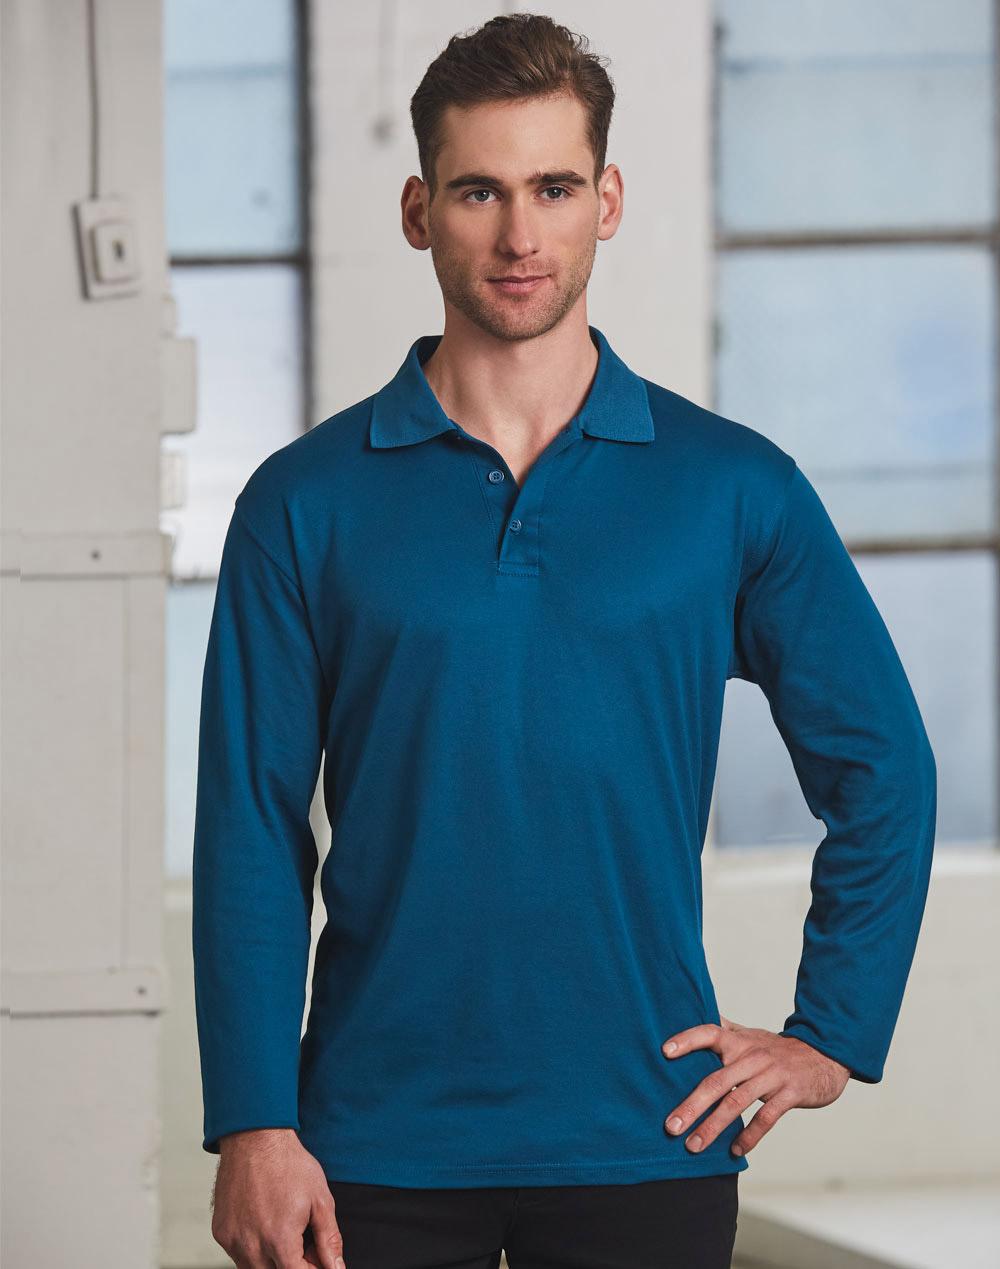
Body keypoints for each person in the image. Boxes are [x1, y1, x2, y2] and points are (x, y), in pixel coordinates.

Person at [191, 13, 937, 1269]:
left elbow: (884, 769)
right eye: (479, 191)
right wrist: (254, 1122)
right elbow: (251, 828)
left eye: (553, 187)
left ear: (609, 200)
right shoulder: (303, 502)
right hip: (365, 1145)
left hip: (647, 1134)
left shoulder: (731, 488)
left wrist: (829, 1034)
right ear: (420, 210)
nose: (520, 236)